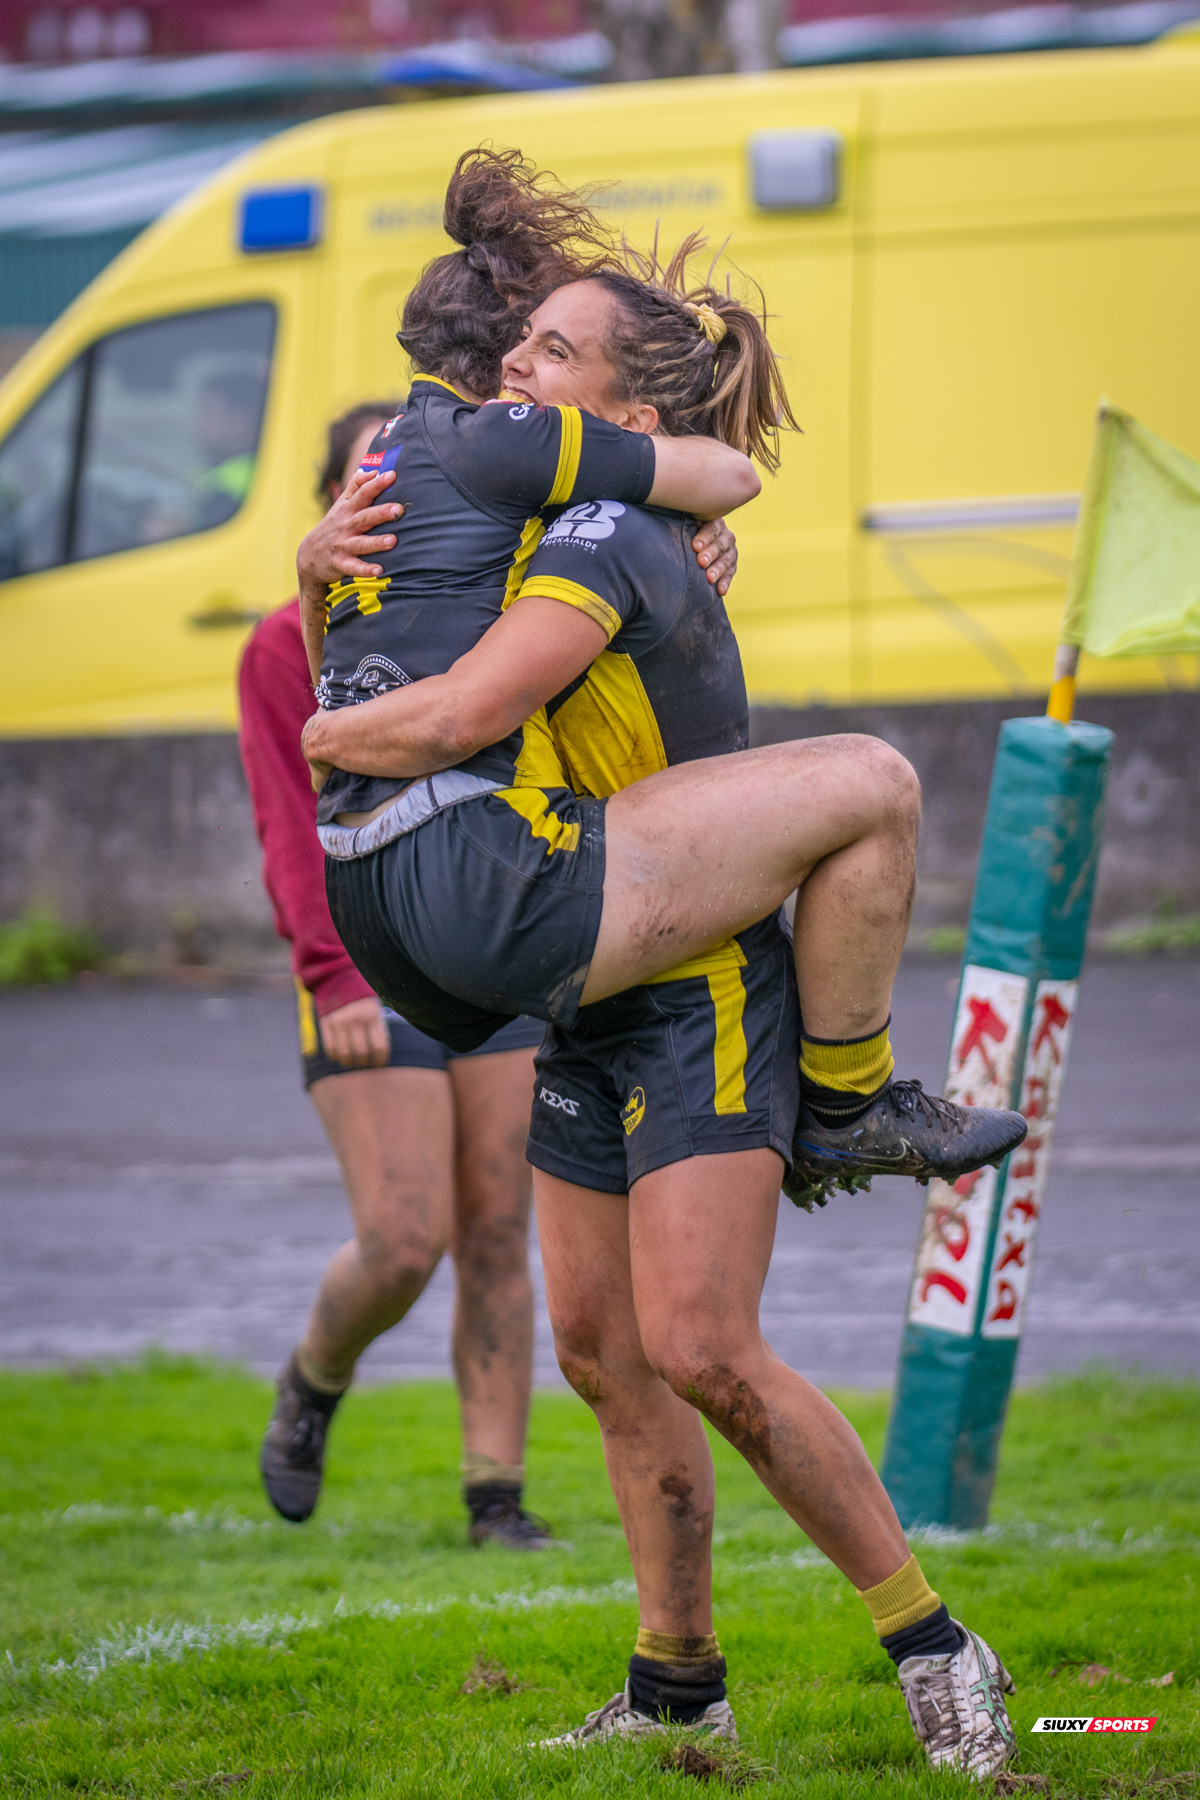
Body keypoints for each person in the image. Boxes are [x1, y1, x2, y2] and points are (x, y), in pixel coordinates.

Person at [299, 217, 1025, 1777]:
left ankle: (936, 1643)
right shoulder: (555, 520)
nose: (516, 369)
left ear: (628, 421)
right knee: (600, 1351)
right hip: (589, 972)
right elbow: (405, 625)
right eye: (520, 347)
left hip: (693, 983)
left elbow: (473, 704)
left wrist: (349, 744)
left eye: (555, 355)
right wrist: (313, 582)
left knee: (702, 1344)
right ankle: (678, 1686)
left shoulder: (602, 536)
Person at [238, 400, 551, 1549]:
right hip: (364, 964)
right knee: (405, 1235)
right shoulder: (283, 643)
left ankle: (496, 1500)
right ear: (338, 498)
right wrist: (331, 973)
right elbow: (290, 821)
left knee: (496, 1227)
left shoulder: (495, 609)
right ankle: (314, 1380)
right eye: (375, 472)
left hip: (489, 951)